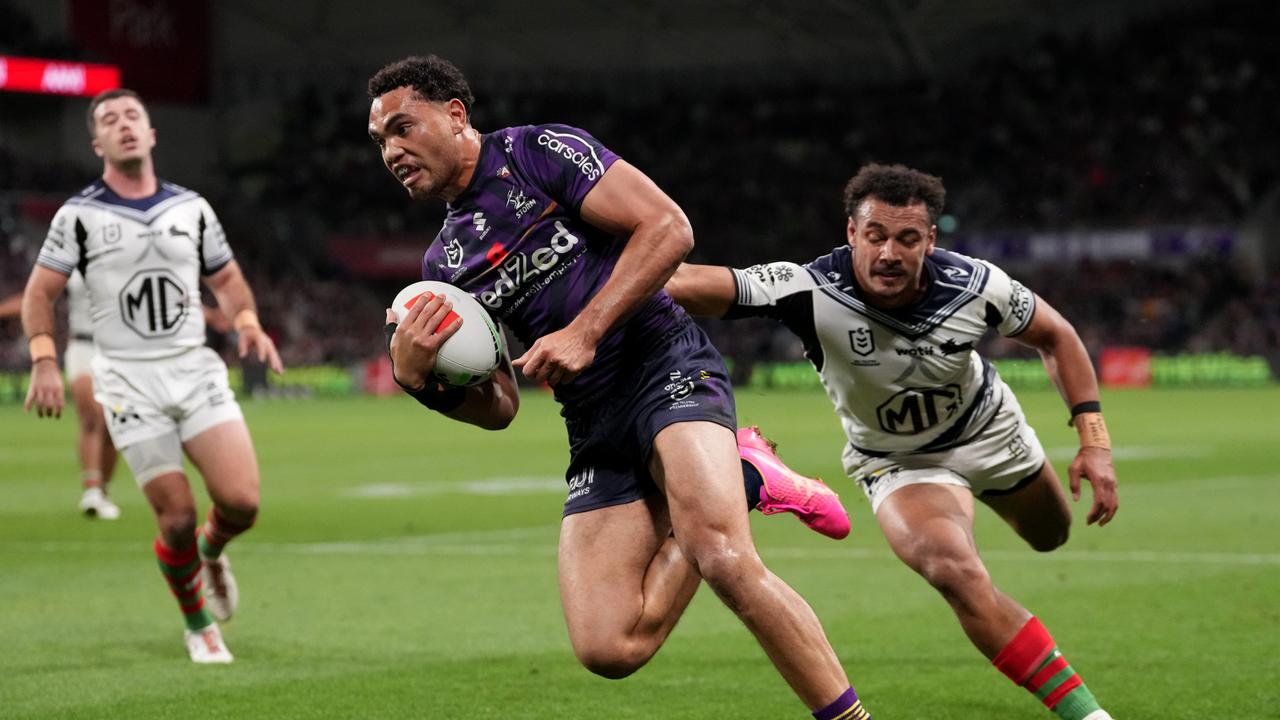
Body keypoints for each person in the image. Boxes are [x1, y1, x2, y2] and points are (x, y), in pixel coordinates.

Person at [369, 55, 871, 718]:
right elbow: (500, 409)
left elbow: (669, 227)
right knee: (610, 646)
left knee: (720, 554)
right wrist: (417, 380)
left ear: (456, 114)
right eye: (380, 142)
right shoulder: (444, 265)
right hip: (595, 422)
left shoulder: (538, 152)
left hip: (664, 364)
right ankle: (745, 477)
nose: (392, 150)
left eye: (403, 128)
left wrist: (586, 329)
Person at [666, 163, 1117, 720]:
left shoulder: (977, 286)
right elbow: (688, 286)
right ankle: (1086, 713)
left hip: (989, 430)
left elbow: (1058, 336)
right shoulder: (808, 288)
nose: (888, 253)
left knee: (1051, 535)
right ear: (851, 233)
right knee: (953, 568)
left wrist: (1094, 443)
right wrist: (599, 270)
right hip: (897, 460)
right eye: (875, 235)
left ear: (930, 240)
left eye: (907, 239)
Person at [22, 88, 283, 664]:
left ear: (152, 132)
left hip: (193, 369)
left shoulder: (191, 208)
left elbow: (230, 279)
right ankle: (198, 627)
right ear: (97, 144)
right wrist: (44, 359)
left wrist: (246, 321)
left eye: (133, 115)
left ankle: (213, 553)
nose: (124, 125)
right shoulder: (79, 215)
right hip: (126, 380)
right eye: (109, 120)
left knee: (240, 504)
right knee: (178, 514)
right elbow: (40, 294)